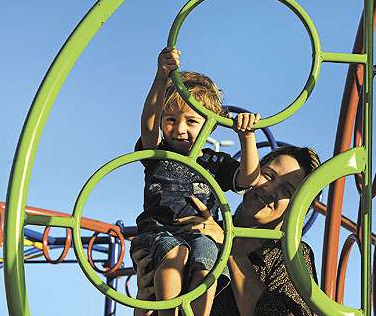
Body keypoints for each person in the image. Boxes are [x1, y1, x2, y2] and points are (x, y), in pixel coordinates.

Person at [130, 47, 262, 316]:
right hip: (157, 234)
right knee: (173, 251)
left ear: (209, 125)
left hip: (200, 234)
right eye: (171, 120)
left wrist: (248, 137)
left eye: (191, 121)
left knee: (208, 256)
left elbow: (248, 179)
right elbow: (149, 123)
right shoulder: (158, 152)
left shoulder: (214, 162)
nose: (179, 129)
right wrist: (161, 77)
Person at [176, 145, 322, 316]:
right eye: (268, 175)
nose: (269, 189)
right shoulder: (204, 228)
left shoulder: (289, 255)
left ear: (301, 207)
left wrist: (231, 248)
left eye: (287, 191)